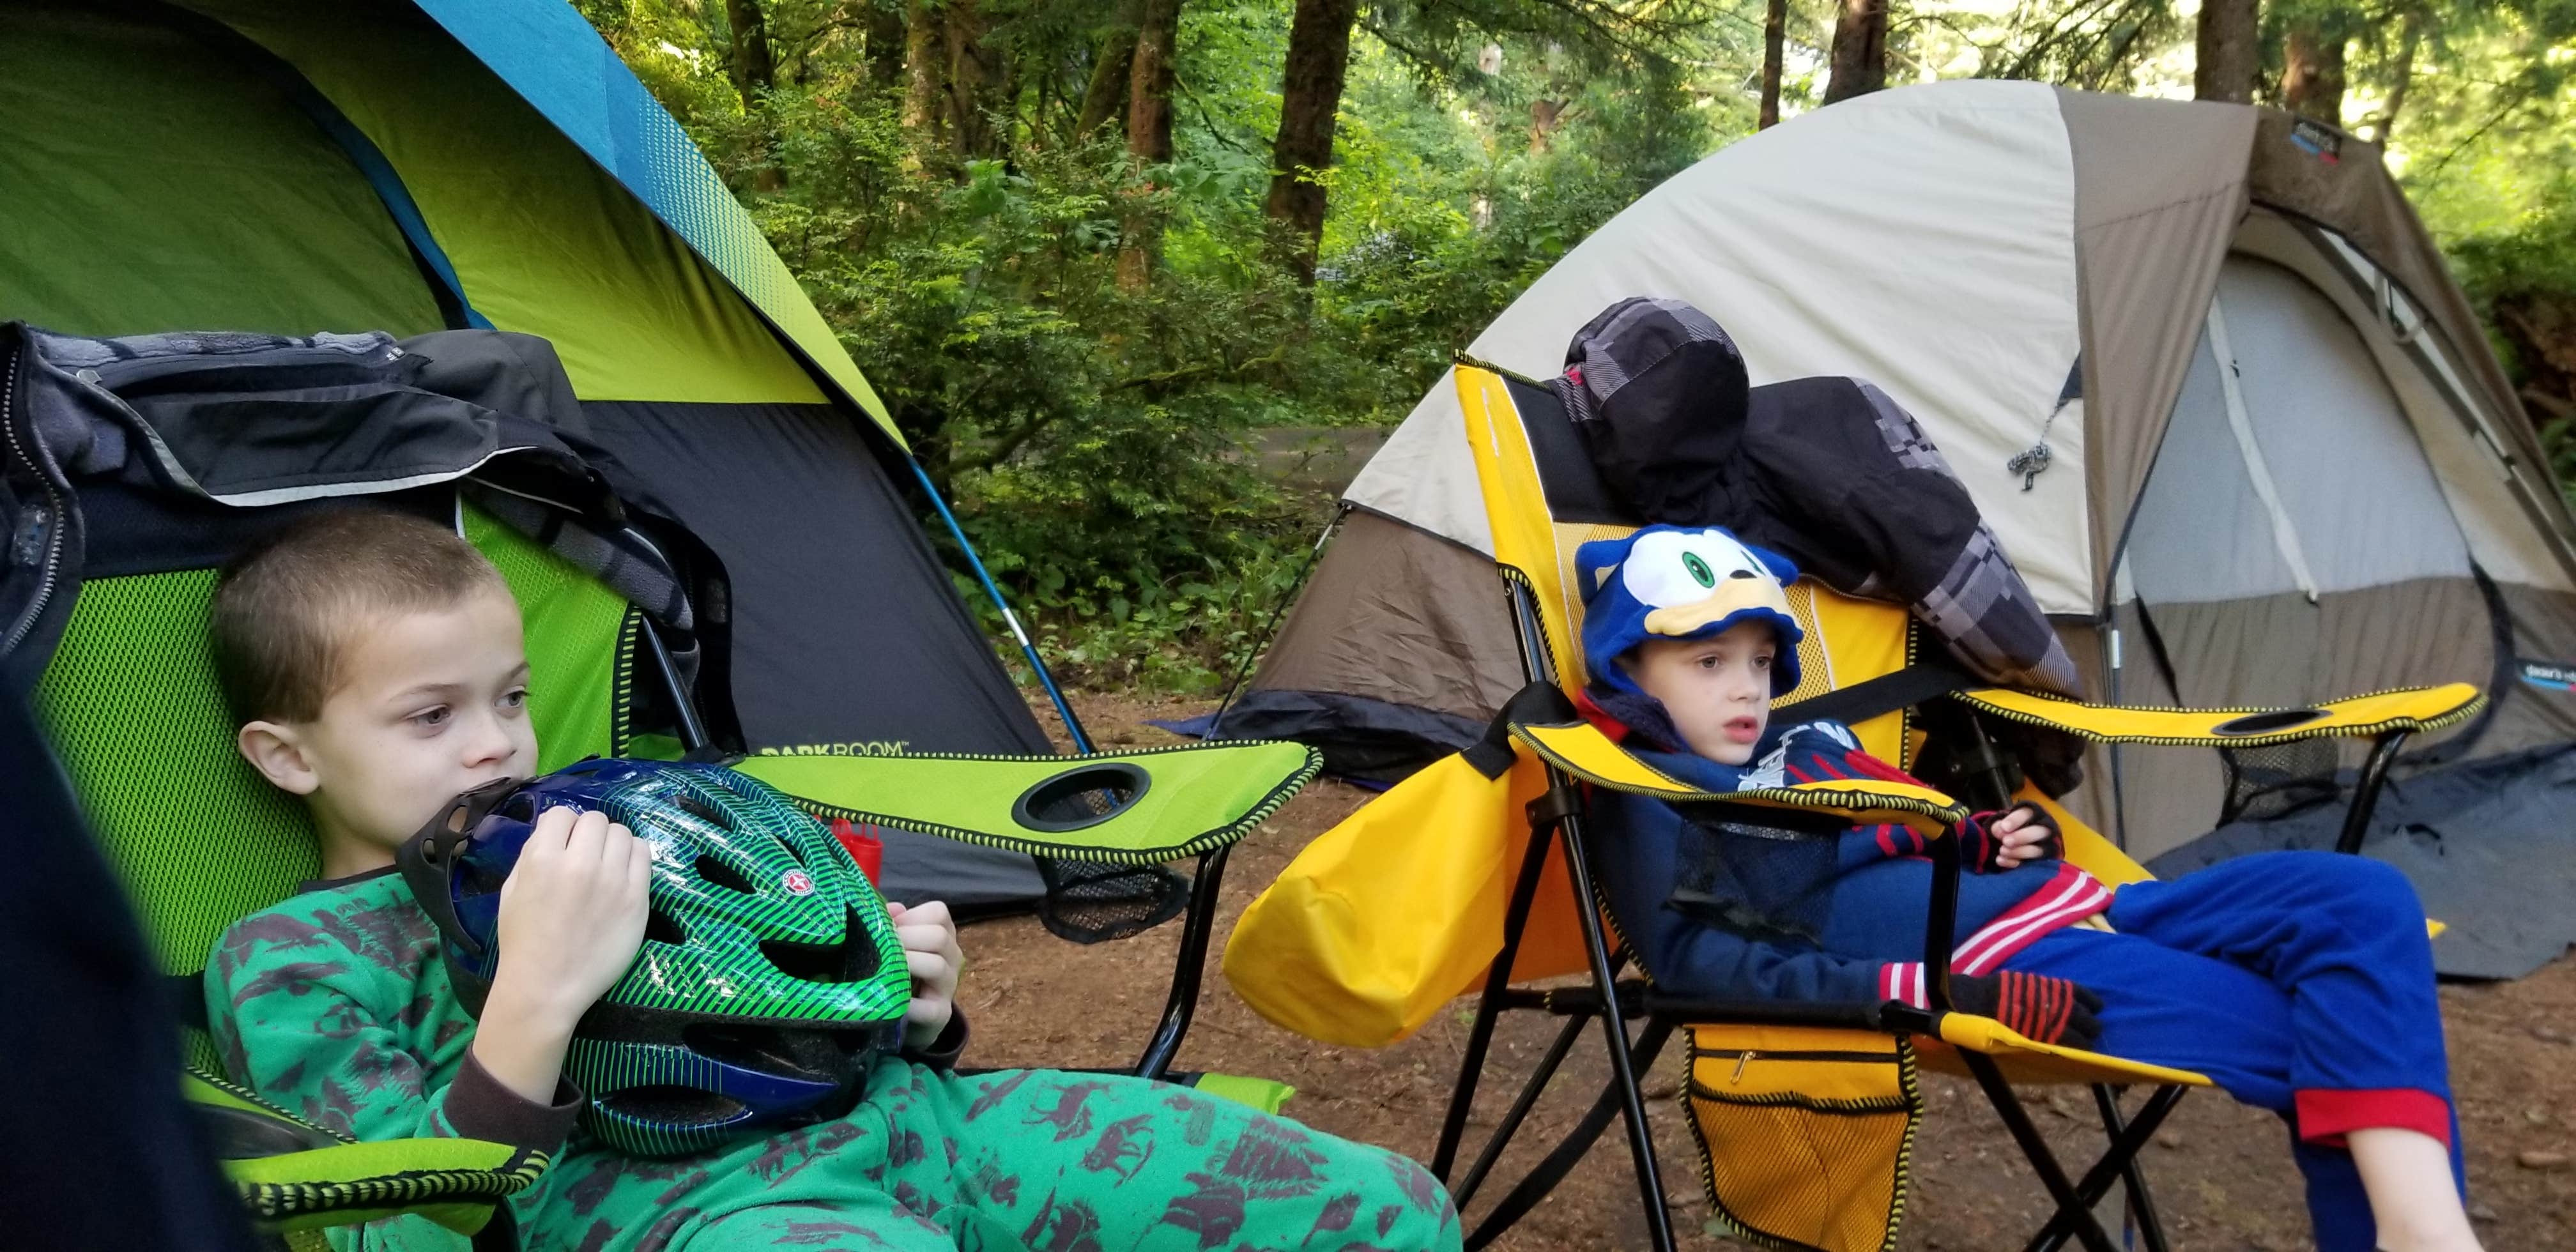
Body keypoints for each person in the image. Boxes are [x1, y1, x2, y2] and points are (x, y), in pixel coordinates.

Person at [203, 507, 1459, 1252]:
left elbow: (780, 1010)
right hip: (694, 1208)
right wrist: (533, 996)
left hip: (927, 1127)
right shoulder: (296, 959)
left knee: (1385, 1209)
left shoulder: (624, 819)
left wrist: (903, 1002)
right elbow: (400, 1216)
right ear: (288, 754)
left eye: (513, 697)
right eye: (431, 716)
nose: (497, 745)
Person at [1575, 524, 2481, 1252]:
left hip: (2090, 905)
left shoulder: (1797, 748)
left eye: (1759, 661)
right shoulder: (1649, 793)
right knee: (2335, 1030)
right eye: (1709, 663)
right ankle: (2422, 1233)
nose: (1748, 689)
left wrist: (1990, 840)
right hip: (2004, 960)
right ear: (1629, 672)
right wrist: (1938, 991)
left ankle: (2421, 1230)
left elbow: (1904, 829)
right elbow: (1703, 968)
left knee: (2363, 897)